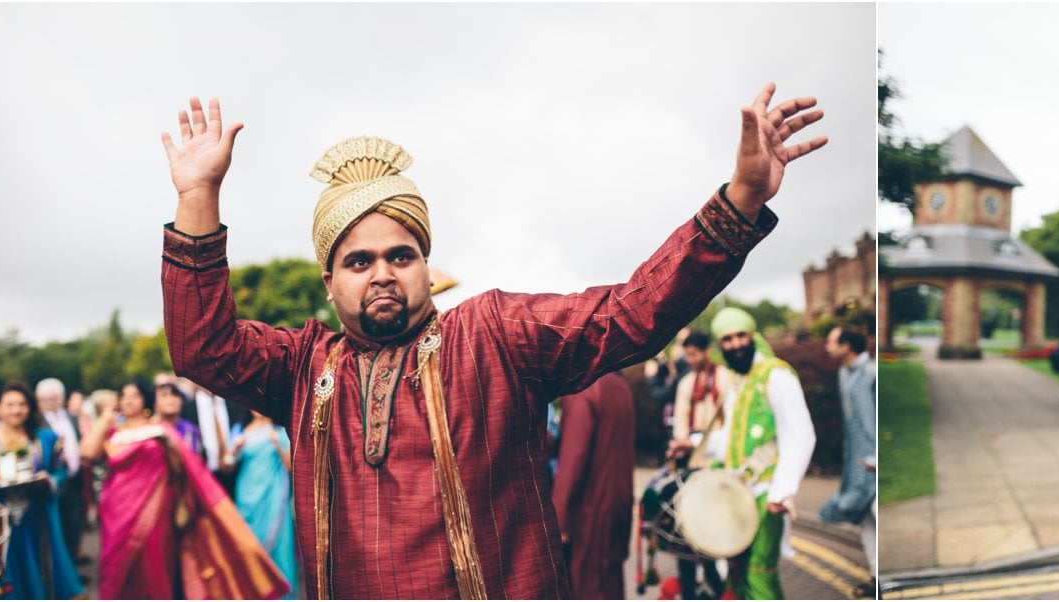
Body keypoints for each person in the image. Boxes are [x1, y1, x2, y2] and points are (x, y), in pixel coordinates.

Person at [156, 85, 824, 598]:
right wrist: (198, 196)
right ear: (330, 283)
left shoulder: (495, 334)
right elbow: (200, 346)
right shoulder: (303, 368)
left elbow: (633, 313)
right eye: (359, 262)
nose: (383, 272)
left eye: (402, 254)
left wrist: (739, 200)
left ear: (426, 264)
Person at [80, 383, 287, 599]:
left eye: (136, 395)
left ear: (145, 400)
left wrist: (170, 448)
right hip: (116, 510)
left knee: (154, 568)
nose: (129, 400)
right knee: (114, 566)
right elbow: (87, 453)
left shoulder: (160, 430)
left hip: (155, 511)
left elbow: (184, 469)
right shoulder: (113, 432)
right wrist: (105, 418)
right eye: (124, 396)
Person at [668, 308, 816, 599]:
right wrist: (695, 442)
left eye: (740, 336)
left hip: (767, 492)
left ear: (752, 335)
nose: (735, 344)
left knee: (759, 571)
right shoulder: (738, 380)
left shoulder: (776, 375)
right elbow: (732, 439)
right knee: (738, 570)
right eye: (727, 339)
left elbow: (800, 434)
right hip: (740, 493)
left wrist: (782, 492)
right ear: (720, 346)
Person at [0, 382, 83, 600]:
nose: (16, 410)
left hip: (38, 520)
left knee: (42, 571)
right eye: (9, 405)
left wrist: (49, 480)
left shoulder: (44, 438)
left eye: (22, 404)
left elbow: (60, 472)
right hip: (1, 527)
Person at [550, 372, 635, 600]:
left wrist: (560, 522)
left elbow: (573, 457)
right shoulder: (620, 386)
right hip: (617, 504)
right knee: (609, 584)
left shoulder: (583, 388)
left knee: (586, 587)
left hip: (589, 509)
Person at [668, 329, 729, 599]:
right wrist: (680, 444)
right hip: (692, 464)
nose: (690, 359)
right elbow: (680, 421)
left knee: (716, 525)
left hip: (719, 462)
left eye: (695, 354)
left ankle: (718, 584)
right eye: (687, 355)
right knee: (689, 527)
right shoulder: (685, 384)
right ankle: (690, 588)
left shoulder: (725, 378)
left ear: (707, 351)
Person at [820, 325, 876, 597]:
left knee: (877, 513)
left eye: (831, 342)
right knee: (865, 518)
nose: (826, 347)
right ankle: (876, 576)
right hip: (857, 461)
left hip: (876, 461)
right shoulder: (844, 374)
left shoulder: (872, 372)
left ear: (847, 346)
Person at [227, 410, 300, 600]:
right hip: (247, 494)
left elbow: (291, 466)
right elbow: (227, 464)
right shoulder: (240, 430)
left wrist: (277, 444)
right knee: (250, 545)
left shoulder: (279, 431)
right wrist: (235, 449)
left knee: (280, 546)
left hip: (274, 495)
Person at [35, 378, 89, 567]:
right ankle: (62, 573)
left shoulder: (72, 417)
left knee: (74, 524)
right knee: (57, 529)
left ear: (62, 398)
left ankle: (73, 566)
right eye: (46, 398)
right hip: (52, 481)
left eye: (54, 397)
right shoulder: (36, 422)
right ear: (39, 401)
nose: (51, 401)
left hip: (75, 479)